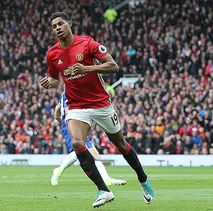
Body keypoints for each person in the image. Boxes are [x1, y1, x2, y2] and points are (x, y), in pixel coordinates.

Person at [39, 12, 154, 208]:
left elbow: (113, 66)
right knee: (77, 142)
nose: (57, 28)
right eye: (54, 26)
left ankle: (143, 179)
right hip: (76, 106)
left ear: (69, 24)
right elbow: (55, 78)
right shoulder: (52, 54)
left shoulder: (88, 43)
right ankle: (104, 190)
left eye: (60, 24)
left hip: (101, 104)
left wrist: (87, 69)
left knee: (121, 144)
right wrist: (49, 82)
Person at [51, 91, 127, 187]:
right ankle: (59, 171)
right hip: (73, 125)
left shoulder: (67, 92)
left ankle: (106, 179)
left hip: (75, 125)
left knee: (93, 154)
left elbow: (57, 109)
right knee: (82, 151)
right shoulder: (70, 91)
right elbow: (67, 111)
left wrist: (60, 122)